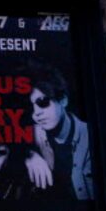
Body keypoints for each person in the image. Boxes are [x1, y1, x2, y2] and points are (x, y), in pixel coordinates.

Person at [24, 60, 92, 201]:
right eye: (31, 107)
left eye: (43, 102)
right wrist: (29, 156)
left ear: (63, 100)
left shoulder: (91, 136)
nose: (36, 113)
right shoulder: (33, 135)